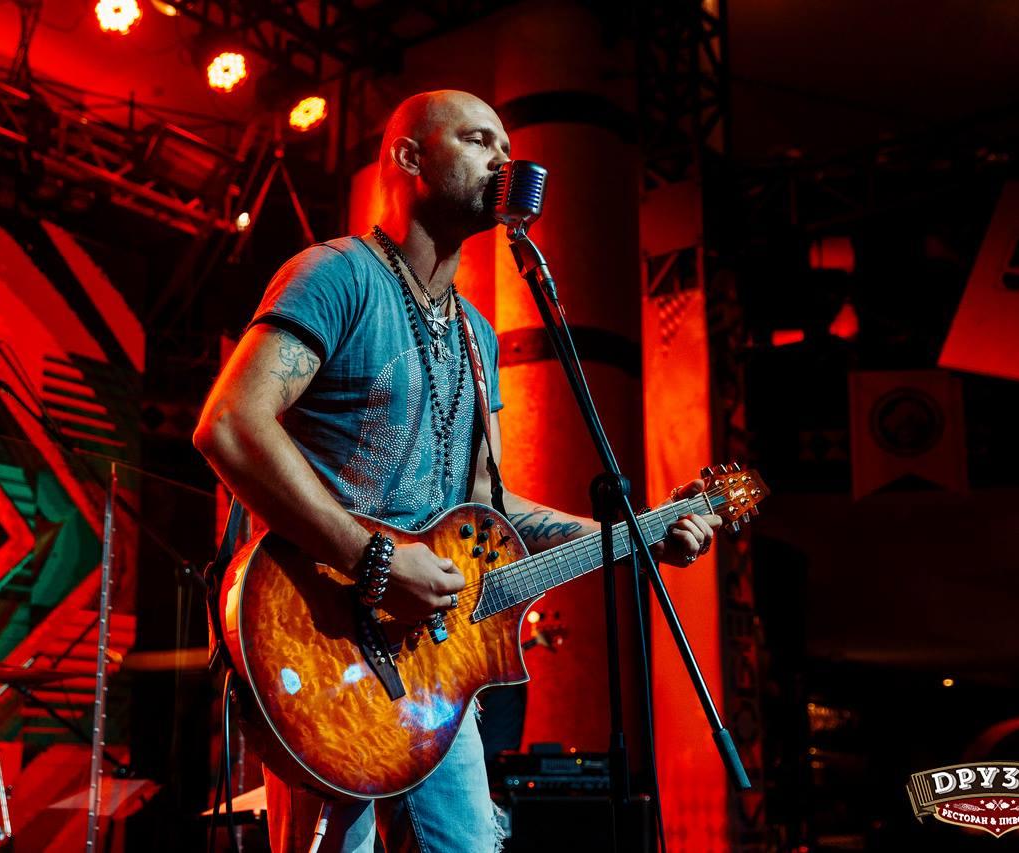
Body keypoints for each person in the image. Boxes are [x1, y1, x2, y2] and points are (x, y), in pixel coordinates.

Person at [193, 89, 720, 853]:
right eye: (478, 141)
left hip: (435, 661)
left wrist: (638, 534)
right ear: (410, 156)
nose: (503, 160)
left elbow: (482, 501)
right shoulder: (335, 275)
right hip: (321, 636)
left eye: (506, 146)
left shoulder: (477, 333)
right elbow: (231, 424)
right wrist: (376, 559)